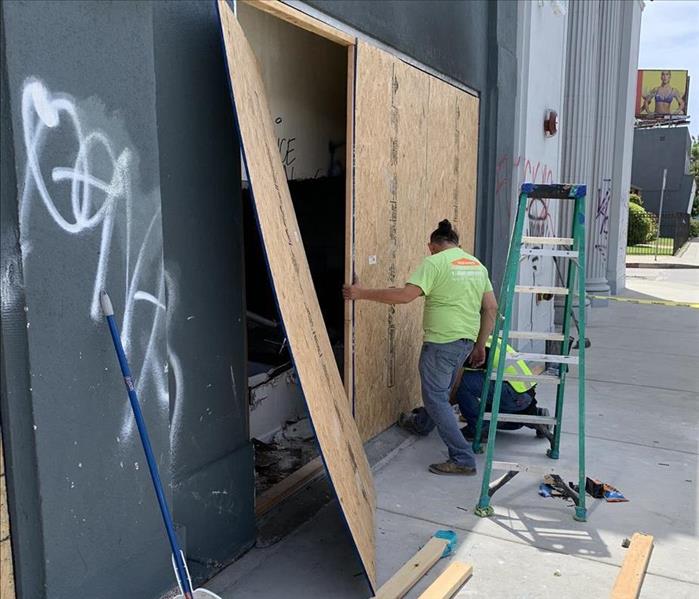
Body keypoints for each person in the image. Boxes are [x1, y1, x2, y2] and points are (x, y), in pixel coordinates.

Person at [343, 219, 497, 475]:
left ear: (432, 246)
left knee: (435, 396)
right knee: (441, 391)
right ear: (457, 244)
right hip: (464, 343)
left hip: (441, 342)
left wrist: (361, 293)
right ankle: (422, 424)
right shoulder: (477, 266)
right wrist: (480, 345)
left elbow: (405, 296)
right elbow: (490, 307)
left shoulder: (434, 263)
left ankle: (462, 458)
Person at [400, 337, 550, 442]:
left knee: (464, 385)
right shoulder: (493, 340)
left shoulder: (474, 350)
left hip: (510, 393)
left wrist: (431, 413)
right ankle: (537, 417)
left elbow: (453, 389)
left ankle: (477, 429)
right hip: (526, 397)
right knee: (493, 413)